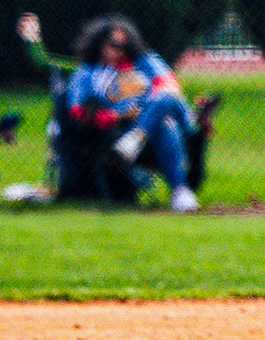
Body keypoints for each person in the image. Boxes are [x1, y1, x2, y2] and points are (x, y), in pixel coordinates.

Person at [61, 14, 210, 213]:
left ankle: (138, 139)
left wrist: (146, 109)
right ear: (98, 43)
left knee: (165, 104)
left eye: (124, 45)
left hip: (143, 128)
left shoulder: (144, 61)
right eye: (113, 44)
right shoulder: (88, 72)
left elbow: (169, 85)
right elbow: (77, 110)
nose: (119, 50)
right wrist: (119, 116)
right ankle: (180, 189)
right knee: (165, 121)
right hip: (116, 131)